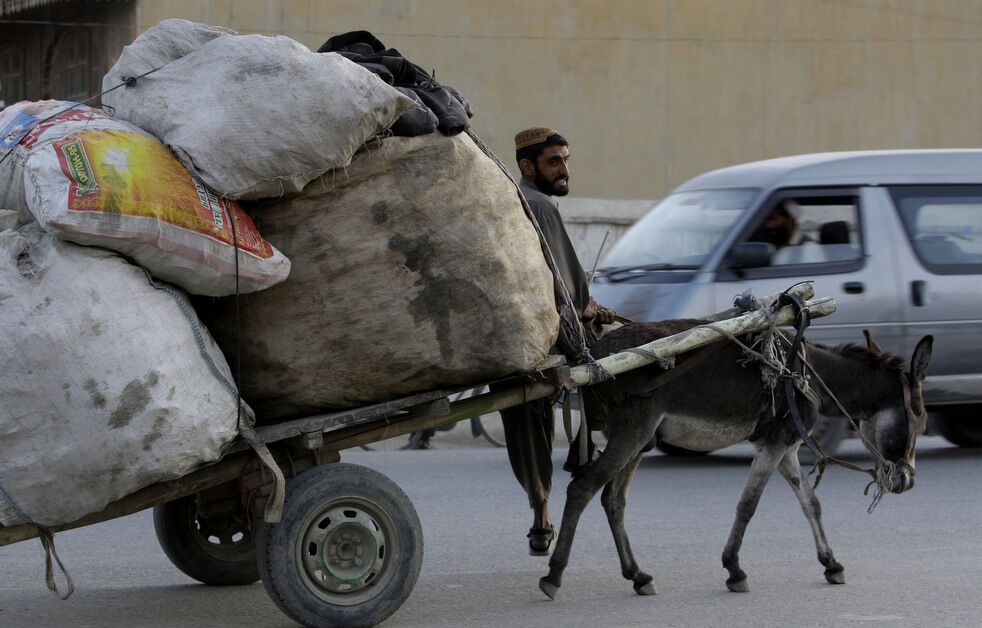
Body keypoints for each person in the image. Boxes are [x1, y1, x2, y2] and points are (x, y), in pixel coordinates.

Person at [500, 127, 615, 556]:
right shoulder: (540, 205)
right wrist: (589, 308)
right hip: (542, 334)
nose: (564, 170)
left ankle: (540, 515)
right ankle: (587, 456)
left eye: (565, 160)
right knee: (608, 367)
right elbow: (569, 292)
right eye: (554, 162)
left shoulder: (512, 198)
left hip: (513, 336)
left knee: (527, 423)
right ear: (527, 167)